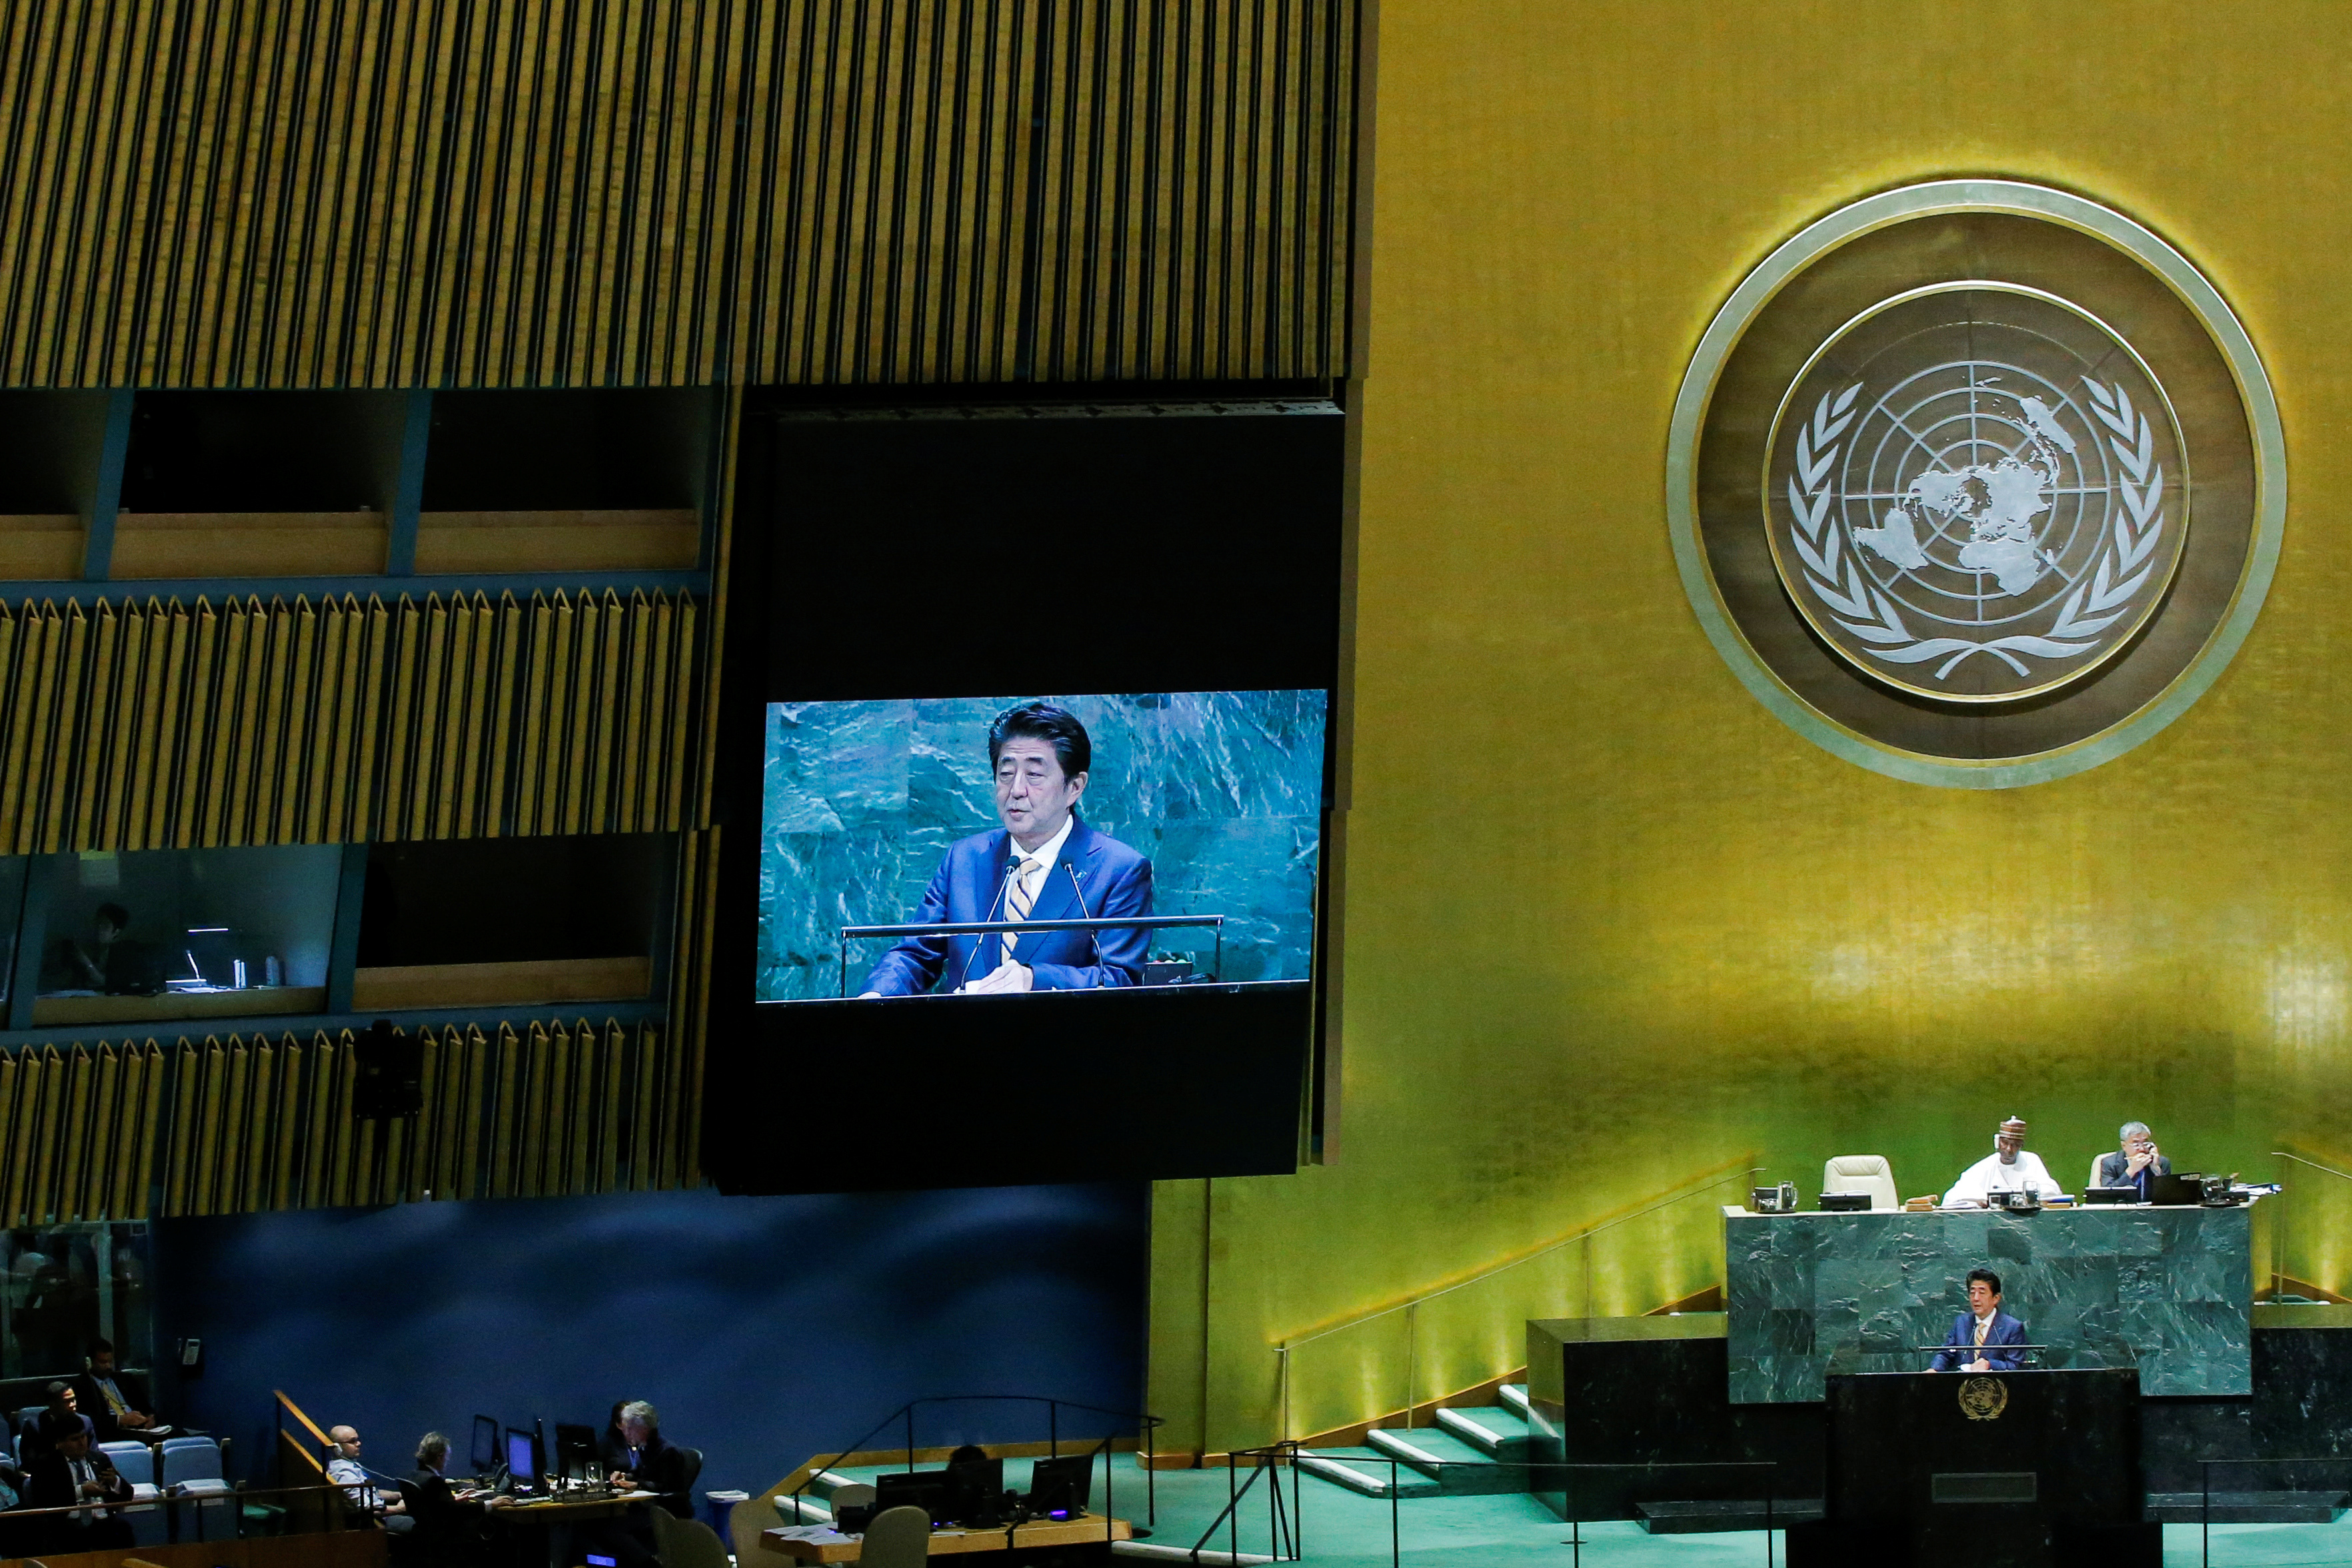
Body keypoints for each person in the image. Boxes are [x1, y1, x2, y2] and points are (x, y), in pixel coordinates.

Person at [858, 703, 1154, 996]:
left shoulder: (1119, 869)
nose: (1016, 790)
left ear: (1075, 787)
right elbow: (916, 954)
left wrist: (1032, 979)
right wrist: (877, 996)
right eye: (1006, 773)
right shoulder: (965, 858)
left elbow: (1119, 978)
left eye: (1034, 775)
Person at [25, 1421, 135, 1552]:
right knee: (71, 1535)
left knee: (123, 1528)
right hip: (67, 1524)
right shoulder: (46, 1465)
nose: (82, 1443)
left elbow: (128, 1495)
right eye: (75, 1439)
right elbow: (45, 1500)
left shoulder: (99, 1459)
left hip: (103, 1521)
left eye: (83, 1437)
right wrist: (82, 1492)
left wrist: (115, 1482)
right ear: (60, 1443)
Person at [405, 1429, 511, 1554]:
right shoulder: (434, 1481)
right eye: (447, 1456)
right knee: (498, 1527)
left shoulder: (416, 1475)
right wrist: (490, 1504)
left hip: (427, 1532)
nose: (447, 1460)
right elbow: (456, 1511)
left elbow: (437, 1506)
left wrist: (452, 1500)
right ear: (439, 1457)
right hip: (444, 1535)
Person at [1941, 1116, 2063, 1207]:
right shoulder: (1985, 1167)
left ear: (2021, 1145)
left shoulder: (2031, 1160)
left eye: (2015, 1145)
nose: (2009, 1149)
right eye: (2005, 1143)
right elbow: (1953, 1197)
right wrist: (1982, 1200)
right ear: (1998, 1142)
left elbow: (2051, 1191)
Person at [1933, 1268, 2030, 1372]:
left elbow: (2016, 1365)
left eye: (1982, 1293)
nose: (1976, 1298)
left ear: (1996, 1298)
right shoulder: (1961, 1322)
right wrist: (1934, 1369)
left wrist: (1989, 1364)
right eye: (1972, 1293)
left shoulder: (2012, 1327)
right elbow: (1947, 1353)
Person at [37, 904, 140, 995]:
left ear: (116, 933)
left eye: (105, 925)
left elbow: (110, 983)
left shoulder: (124, 955)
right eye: (98, 923)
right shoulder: (86, 947)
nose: (99, 928)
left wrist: (85, 962)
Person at [326, 1425, 411, 1534]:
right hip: (376, 1522)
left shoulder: (348, 1465)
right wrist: (400, 1509)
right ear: (338, 1448)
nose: (359, 1444)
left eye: (357, 1440)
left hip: (380, 1517)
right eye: (352, 1441)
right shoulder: (344, 1473)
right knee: (427, 1525)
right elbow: (369, 1509)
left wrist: (399, 1495)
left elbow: (371, 1493)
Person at [70, 1337, 158, 1440]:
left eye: (110, 1362)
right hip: (113, 1432)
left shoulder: (126, 1379)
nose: (108, 1366)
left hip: (140, 1428)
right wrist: (120, 1420)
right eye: (103, 1362)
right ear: (89, 1362)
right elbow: (88, 1420)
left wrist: (152, 1418)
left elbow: (146, 1407)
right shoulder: (83, 1385)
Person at [2092, 1121, 2173, 1200]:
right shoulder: (2110, 1163)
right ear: (2124, 1146)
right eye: (2136, 1144)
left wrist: (2156, 1169)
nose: (2142, 1149)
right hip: (2122, 1211)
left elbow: (2168, 1197)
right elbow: (2106, 1196)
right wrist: (2131, 1171)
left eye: (2145, 1144)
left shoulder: (2162, 1162)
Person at [17, 1382, 91, 1465]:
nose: (73, 1405)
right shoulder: (34, 1426)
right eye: (66, 1401)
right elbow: (29, 1460)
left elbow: (93, 1454)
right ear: (52, 1404)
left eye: (73, 1400)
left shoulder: (86, 1422)